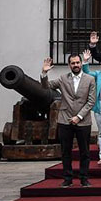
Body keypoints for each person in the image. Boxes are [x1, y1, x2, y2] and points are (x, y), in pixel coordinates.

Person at [41, 54, 96, 188]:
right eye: (73, 63)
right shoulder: (62, 78)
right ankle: (67, 178)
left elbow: (91, 101)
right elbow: (46, 86)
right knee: (66, 151)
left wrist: (79, 116)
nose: (76, 65)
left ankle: (84, 178)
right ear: (69, 65)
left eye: (77, 62)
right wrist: (44, 73)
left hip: (83, 121)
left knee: (85, 152)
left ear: (81, 63)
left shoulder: (90, 79)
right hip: (65, 120)